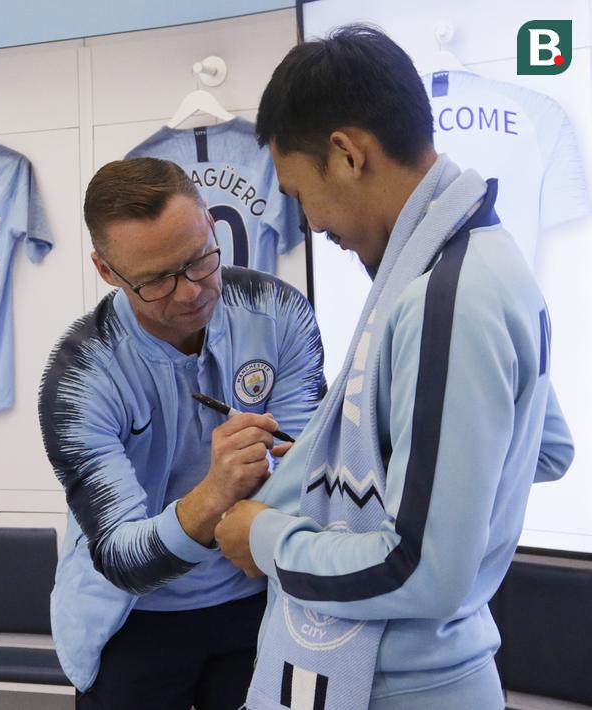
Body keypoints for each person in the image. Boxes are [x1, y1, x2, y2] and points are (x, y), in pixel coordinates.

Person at [214, 26, 574, 710]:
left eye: (298, 193)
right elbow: (545, 447)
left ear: (347, 154)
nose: (309, 223)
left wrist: (263, 535)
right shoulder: (481, 256)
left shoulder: (446, 297)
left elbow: (420, 569)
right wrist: (353, 462)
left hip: (403, 685)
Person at [38, 157, 325, 709]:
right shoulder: (81, 375)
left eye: (199, 260)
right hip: (133, 619)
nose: (190, 292)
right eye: (156, 280)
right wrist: (215, 493)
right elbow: (121, 557)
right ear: (106, 271)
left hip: (260, 600)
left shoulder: (278, 311)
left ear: (211, 225)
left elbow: (310, 474)